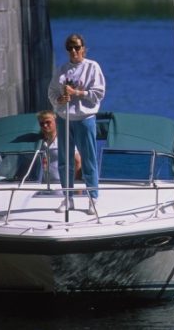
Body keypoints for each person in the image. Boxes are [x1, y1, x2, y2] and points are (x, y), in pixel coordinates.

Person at [48, 34, 106, 214]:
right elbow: (51, 92)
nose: (73, 51)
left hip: (84, 118)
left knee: (88, 159)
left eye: (77, 47)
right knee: (65, 160)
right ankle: (68, 197)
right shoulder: (62, 70)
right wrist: (60, 99)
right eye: (69, 48)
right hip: (65, 118)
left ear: (83, 48)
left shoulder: (92, 67)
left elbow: (98, 93)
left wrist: (77, 93)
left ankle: (93, 197)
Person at [36, 110, 81, 185]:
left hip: (61, 185)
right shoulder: (38, 143)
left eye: (48, 122)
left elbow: (78, 161)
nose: (45, 125)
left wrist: (77, 185)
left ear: (55, 122)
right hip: (42, 185)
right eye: (42, 123)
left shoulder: (64, 140)